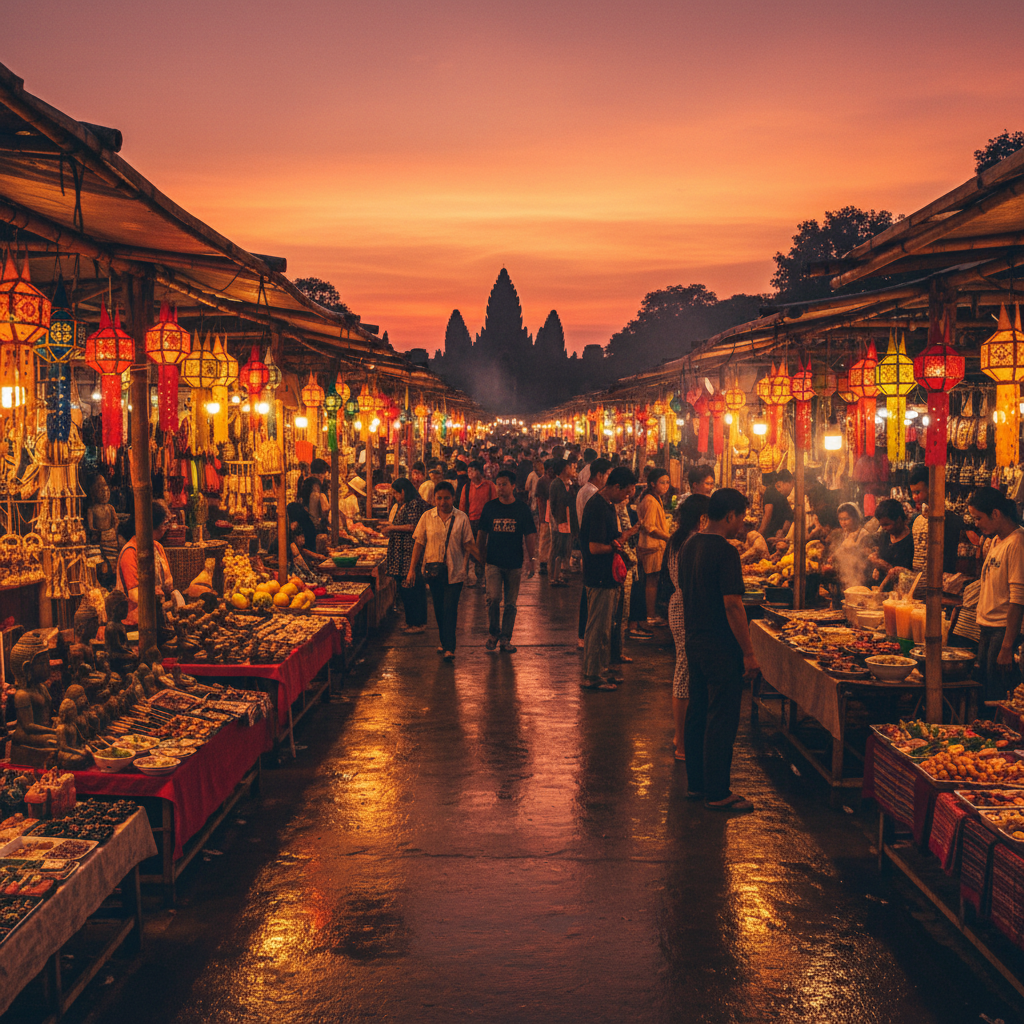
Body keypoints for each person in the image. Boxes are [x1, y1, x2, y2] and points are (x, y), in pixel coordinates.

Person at [680, 487, 759, 812]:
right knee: (722, 718)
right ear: (729, 516)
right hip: (720, 646)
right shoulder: (725, 552)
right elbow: (733, 605)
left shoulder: (690, 544)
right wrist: (749, 652)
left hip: (694, 640)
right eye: (741, 518)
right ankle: (717, 792)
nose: (742, 524)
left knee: (697, 712)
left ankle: (696, 784)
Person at [579, 467, 639, 690]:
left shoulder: (607, 505)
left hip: (608, 576)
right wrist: (617, 546)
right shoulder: (597, 507)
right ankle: (591, 675)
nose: (627, 497)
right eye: (626, 492)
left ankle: (601, 670)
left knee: (605, 626)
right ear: (615, 487)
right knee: (598, 627)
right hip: (599, 575)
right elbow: (594, 547)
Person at [408, 481, 479, 662]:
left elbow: (469, 544)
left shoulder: (461, 518)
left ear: (453, 498)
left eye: (446, 498)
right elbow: (419, 543)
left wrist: (485, 562)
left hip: (455, 572)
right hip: (433, 572)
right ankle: (444, 641)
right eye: (439, 498)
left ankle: (450, 647)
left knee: (450, 609)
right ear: (434, 499)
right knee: (439, 609)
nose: (442, 502)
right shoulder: (427, 517)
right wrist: (411, 570)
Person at [968, 487, 1024, 702]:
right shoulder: (995, 540)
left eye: (979, 518)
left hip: (1003, 630)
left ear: (996, 514)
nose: (976, 523)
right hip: (988, 627)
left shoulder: (1017, 542)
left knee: (996, 694)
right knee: (984, 688)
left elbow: (1018, 599)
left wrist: (1007, 646)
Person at [668, 494, 710, 762]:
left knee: (683, 671)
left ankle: (678, 736)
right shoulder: (690, 541)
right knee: (683, 675)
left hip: (679, 605)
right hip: (686, 607)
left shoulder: (678, 538)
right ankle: (682, 744)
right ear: (702, 518)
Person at [477, 469, 537, 653]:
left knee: (511, 603)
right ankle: (494, 633)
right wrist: (480, 556)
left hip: (514, 562)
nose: (500, 488)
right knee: (493, 598)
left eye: (504, 484)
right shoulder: (490, 507)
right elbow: (482, 534)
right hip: (493, 561)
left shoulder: (521, 509)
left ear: (513, 486)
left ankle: (505, 638)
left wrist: (531, 559)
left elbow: (530, 535)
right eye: (498, 484)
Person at [116, 503, 177, 628]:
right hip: (135, 620)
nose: (167, 528)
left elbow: (168, 582)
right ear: (151, 526)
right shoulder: (130, 552)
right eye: (165, 524)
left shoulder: (157, 547)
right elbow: (134, 594)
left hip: (158, 614)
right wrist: (156, 598)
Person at [384, 478, 432, 634]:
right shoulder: (404, 504)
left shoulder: (414, 504)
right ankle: (410, 621)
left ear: (403, 491)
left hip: (410, 554)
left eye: (396, 494)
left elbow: (413, 526)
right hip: (401, 556)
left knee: (414, 589)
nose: (396, 497)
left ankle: (418, 623)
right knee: (405, 590)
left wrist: (392, 528)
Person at [576, 458, 612, 649]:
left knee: (588, 590)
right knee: (589, 592)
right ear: (600, 475)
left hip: (586, 540)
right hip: (591, 543)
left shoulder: (584, 490)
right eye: (608, 475)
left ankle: (583, 634)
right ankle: (585, 635)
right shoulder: (593, 494)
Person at [909, 464, 965, 574]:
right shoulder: (916, 519)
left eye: (917, 492)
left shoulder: (950, 519)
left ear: (931, 487)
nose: (914, 497)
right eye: (912, 492)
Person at [638, 468, 672, 626]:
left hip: (654, 547)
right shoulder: (651, 501)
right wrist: (669, 537)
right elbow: (650, 527)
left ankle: (650, 614)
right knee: (651, 582)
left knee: (653, 581)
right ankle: (650, 616)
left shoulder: (654, 498)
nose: (666, 486)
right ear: (653, 484)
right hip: (651, 547)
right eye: (662, 482)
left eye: (667, 482)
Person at [459, 461, 496, 587]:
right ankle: (479, 577)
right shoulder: (467, 487)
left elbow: (495, 503)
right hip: (472, 522)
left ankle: (485, 578)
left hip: (486, 522)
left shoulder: (490, 486)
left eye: (473, 470)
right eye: (469, 471)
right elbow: (462, 506)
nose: (470, 473)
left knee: (485, 550)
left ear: (480, 472)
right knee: (473, 551)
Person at [869, 498, 914, 590]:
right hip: (883, 590)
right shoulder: (884, 536)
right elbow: (882, 555)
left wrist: (881, 564)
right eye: (881, 525)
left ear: (899, 519)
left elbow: (908, 573)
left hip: (902, 591)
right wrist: (876, 569)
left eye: (887, 524)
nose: (884, 528)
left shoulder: (911, 539)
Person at [547, 458, 574, 587]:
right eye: (570, 467)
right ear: (564, 469)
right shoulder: (556, 484)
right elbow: (553, 505)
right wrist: (556, 523)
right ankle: (553, 577)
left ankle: (558, 576)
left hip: (567, 522)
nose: (572, 469)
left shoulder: (567, 484)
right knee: (556, 549)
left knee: (564, 549)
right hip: (559, 522)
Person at [759, 470, 794, 542]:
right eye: (791, 485)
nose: (791, 489)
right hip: (771, 537)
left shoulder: (781, 496)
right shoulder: (770, 491)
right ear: (782, 483)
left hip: (776, 538)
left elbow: (789, 517)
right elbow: (767, 515)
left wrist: (782, 532)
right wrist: (759, 534)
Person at [534, 459, 554, 576]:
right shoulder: (542, 481)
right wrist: (541, 516)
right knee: (545, 538)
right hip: (545, 512)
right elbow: (540, 500)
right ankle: (543, 562)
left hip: (553, 512)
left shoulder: (555, 480)